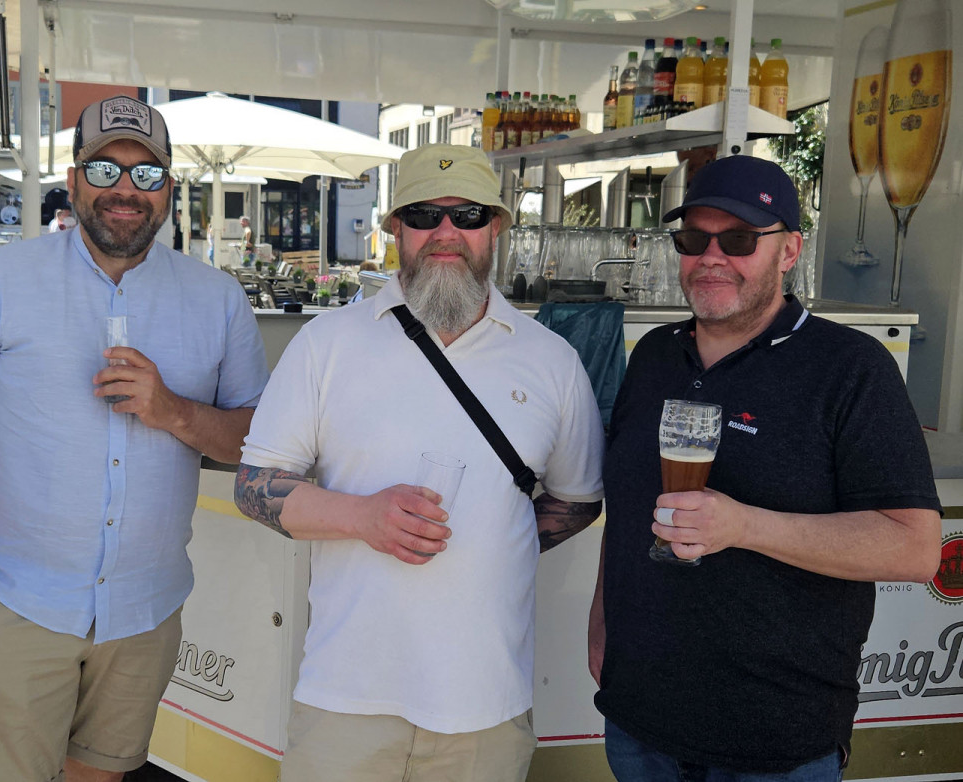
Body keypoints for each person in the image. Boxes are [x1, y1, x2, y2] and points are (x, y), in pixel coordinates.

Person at [0, 95, 268, 782]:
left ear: (168, 189)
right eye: (105, 170)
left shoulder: (217, 299)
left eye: (146, 173)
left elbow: (252, 437)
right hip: (18, 603)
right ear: (73, 181)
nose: (125, 189)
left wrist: (173, 411)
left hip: (144, 610)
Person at [235, 144, 605, 782]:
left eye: (467, 215)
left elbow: (577, 499)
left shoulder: (553, 362)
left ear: (495, 228)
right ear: (395, 229)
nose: (445, 232)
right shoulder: (326, 344)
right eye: (425, 214)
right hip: (344, 700)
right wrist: (362, 517)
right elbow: (253, 486)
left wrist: (497, 540)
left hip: (486, 708)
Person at [589, 155, 941, 781]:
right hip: (640, 722)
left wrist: (745, 526)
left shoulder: (850, 368)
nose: (711, 257)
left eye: (740, 239)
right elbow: (629, 507)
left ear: (789, 251)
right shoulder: (653, 355)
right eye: (693, 239)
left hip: (775, 738)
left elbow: (914, 548)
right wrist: (602, 622)